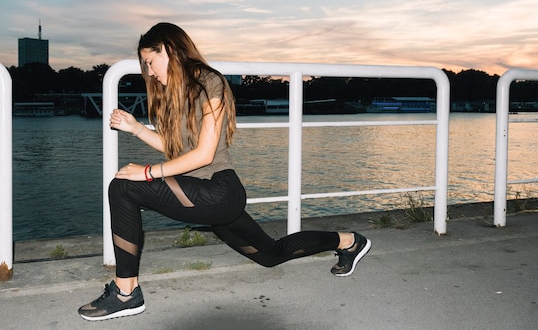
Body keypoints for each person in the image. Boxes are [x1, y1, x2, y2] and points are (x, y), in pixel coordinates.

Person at [78, 22, 371, 321]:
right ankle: (349, 241)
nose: (150, 72)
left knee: (123, 186)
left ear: (167, 49)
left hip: (219, 192)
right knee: (271, 254)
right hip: (201, 194)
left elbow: (204, 154)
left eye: (150, 62)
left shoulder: (210, 83)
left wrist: (149, 172)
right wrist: (137, 129)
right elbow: (180, 150)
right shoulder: (176, 94)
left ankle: (126, 293)